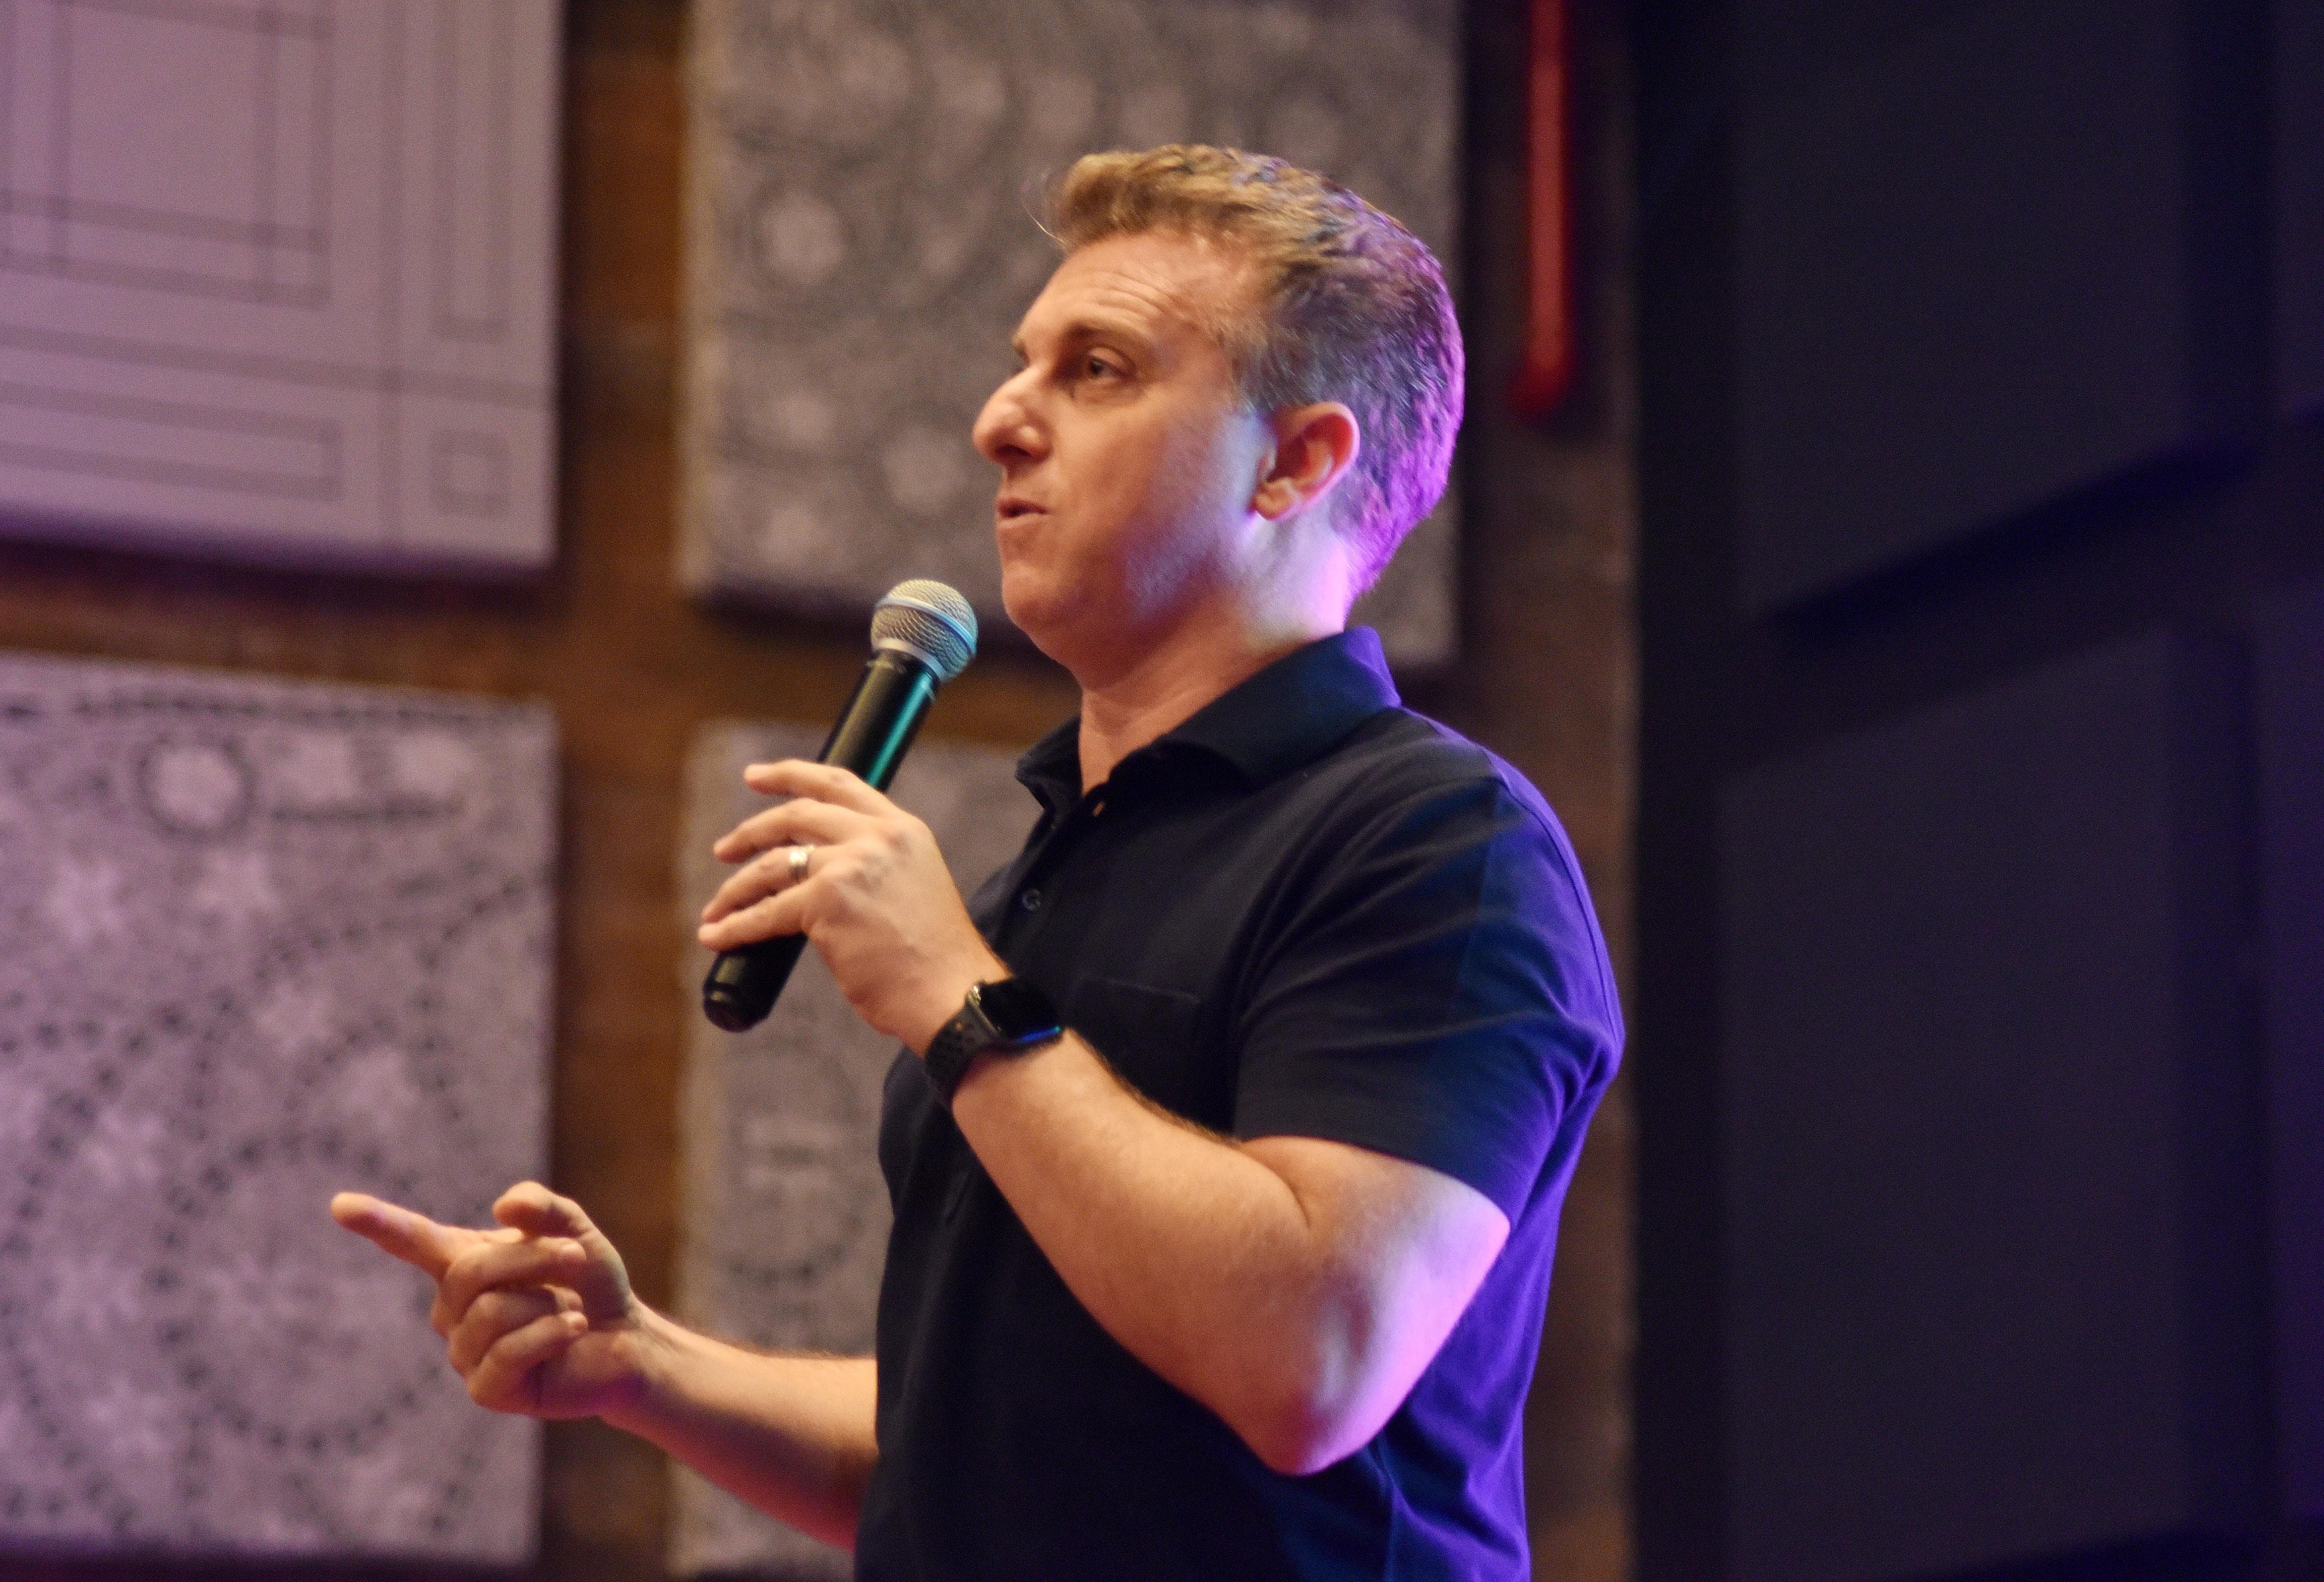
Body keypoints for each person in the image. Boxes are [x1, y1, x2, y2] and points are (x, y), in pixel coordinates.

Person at [333, 145, 1621, 1579]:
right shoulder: (1047, 882)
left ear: (1294, 463)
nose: (999, 422)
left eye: (1098, 370)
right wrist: (642, 1366)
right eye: (1022, 366)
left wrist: (958, 997)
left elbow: (1308, 1363)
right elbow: (972, 1463)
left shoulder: (1436, 844)